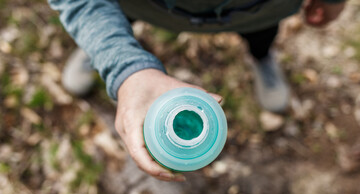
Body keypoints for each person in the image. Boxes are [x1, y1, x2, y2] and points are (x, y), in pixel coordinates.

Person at [48, 0, 346, 182]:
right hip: (140, 3)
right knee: (117, 21)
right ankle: (105, 46)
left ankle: (261, 55)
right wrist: (121, 64)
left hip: (260, 9)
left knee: (262, 31)